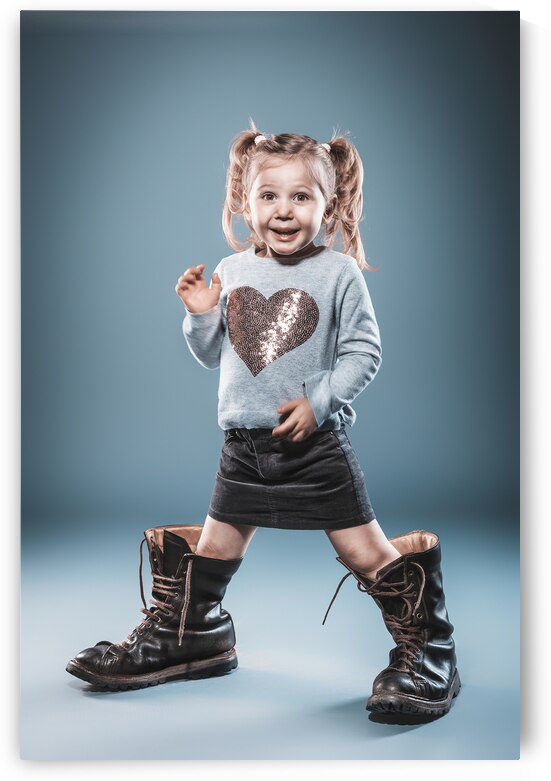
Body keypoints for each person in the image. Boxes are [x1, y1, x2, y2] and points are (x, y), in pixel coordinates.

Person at [66, 120, 460, 723]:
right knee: (214, 547)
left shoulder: (339, 273)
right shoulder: (233, 270)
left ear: (329, 205)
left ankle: (430, 651)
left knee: (365, 552)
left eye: (301, 196)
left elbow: (364, 352)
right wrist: (202, 314)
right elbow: (212, 355)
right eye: (268, 195)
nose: (284, 210)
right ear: (244, 204)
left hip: (314, 447)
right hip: (242, 447)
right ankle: (190, 635)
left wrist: (319, 401)